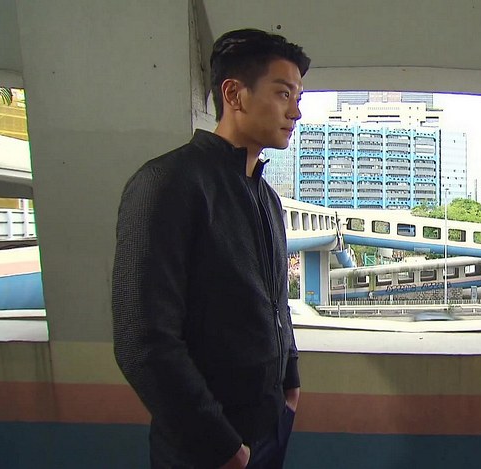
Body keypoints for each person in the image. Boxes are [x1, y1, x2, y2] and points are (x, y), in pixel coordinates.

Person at [112, 28, 310, 468]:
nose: (295, 112)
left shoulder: (266, 196)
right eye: (283, 93)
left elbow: (276, 301)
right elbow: (142, 340)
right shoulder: (167, 183)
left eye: (298, 97)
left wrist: (290, 382)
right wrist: (220, 446)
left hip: (269, 427)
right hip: (205, 447)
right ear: (234, 94)